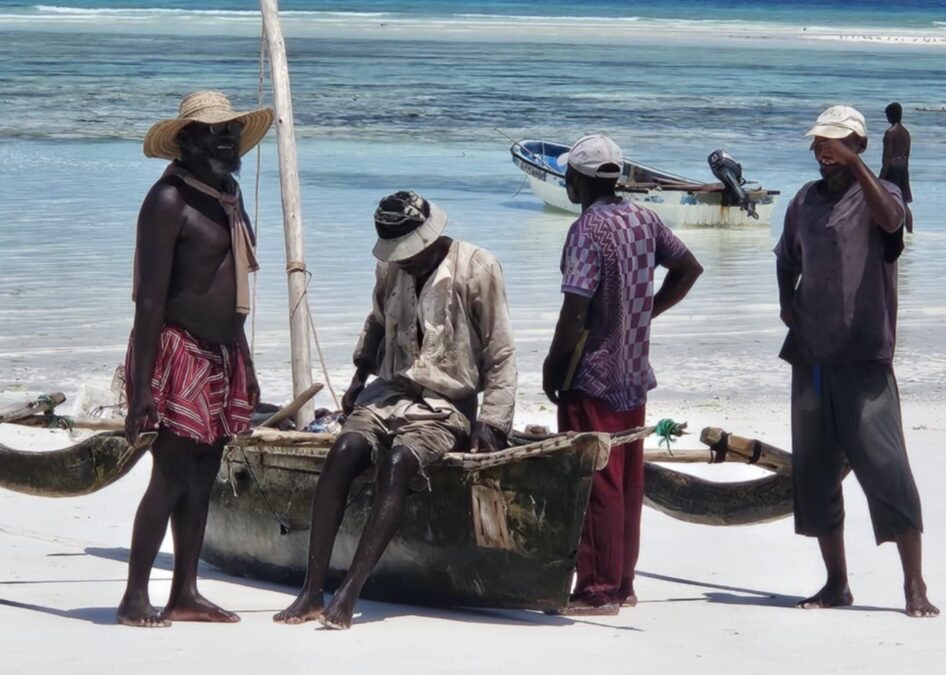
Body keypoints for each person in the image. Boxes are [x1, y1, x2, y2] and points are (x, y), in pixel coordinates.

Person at [274, 191, 517, 630]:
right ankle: (311, 590)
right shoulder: (390, 267)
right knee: (344, 451)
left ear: (430, 238)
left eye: (411, 254)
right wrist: (357, 379)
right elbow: (377, 325)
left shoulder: (477, 268)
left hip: (445, 404)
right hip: (387, 391)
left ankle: (350, 591)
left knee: (400, 462)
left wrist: (493, 422)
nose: (405, 262)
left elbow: (500, 353)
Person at [774, 105, 938, 618]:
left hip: (865, 357)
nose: (824, 150)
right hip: (812, 357)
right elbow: (785, 257)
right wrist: (786, 303)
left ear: (859, 146)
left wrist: (857, 167)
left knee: (887, 469)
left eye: (836, 142)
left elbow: (893, 223)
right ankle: (836, 583)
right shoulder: (803, 200)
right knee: (817, 473)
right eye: (819, 142)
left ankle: (915, 585)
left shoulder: (880, 195)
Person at [120, 91, 272, 627]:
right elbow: (149, 297)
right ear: (186, 140)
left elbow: (231, 289)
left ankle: (185, 591)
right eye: (213, 131)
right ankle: (136, 595)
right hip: (176, 348)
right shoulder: (169, 201)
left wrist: (245, 362)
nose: (226, 138)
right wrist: (141, 388)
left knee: (205, 473)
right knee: (171, 472)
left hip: (223, 351)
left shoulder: (227, 193)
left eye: (230, 129)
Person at [543, 135, 702, 615]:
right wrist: (642, 313)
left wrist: (553, 361)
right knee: (627, 480)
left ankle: (597, 589)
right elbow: (688, 268)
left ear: (581, 180)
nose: (567, 182)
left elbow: (576, 306)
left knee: (595, 480)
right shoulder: (644, 218)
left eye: (570, 175)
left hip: (591, 372)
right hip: (632, 372)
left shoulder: (588, 229)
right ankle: (623, 582)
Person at [880, 102, 913, 232]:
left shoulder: (890, 133)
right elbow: (907, 155)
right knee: (904, 203)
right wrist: (905, 172)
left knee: (887, 201)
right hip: (903, 169)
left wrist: (881, 177)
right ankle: (910, 232)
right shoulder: (906, 133)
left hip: (892, 170)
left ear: (891, 115)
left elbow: (887, 158)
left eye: (887, 114)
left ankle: (889, 229)